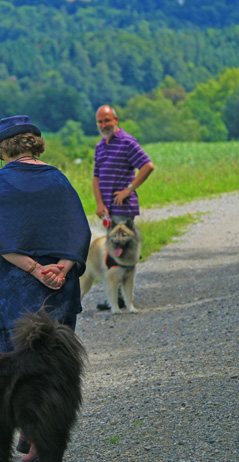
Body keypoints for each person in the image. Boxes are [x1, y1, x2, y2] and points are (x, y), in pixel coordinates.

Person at [0, 115, 91, 462]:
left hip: (14, 287)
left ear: (2, 149)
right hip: (59, 287)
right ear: (36, 144)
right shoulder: (58, 179)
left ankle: (31, 432)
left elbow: (0, 239)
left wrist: (34, 268)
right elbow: (79, 229)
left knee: (13, 365)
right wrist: (62, 266)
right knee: (52, 364)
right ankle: (39, 436)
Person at [92, 105, 155, 311]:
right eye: (100, 122)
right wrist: (100, 203)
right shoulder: (100, 146)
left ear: (116, 119)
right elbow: (96, 177)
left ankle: (122, 298)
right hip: (108, 209)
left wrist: (129, 189)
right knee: (111, 252)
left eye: (107, 120)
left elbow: (148, 165)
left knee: (122, 250)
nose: (104, 125)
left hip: (123, 208)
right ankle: (115, 296)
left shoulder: (127, 142)